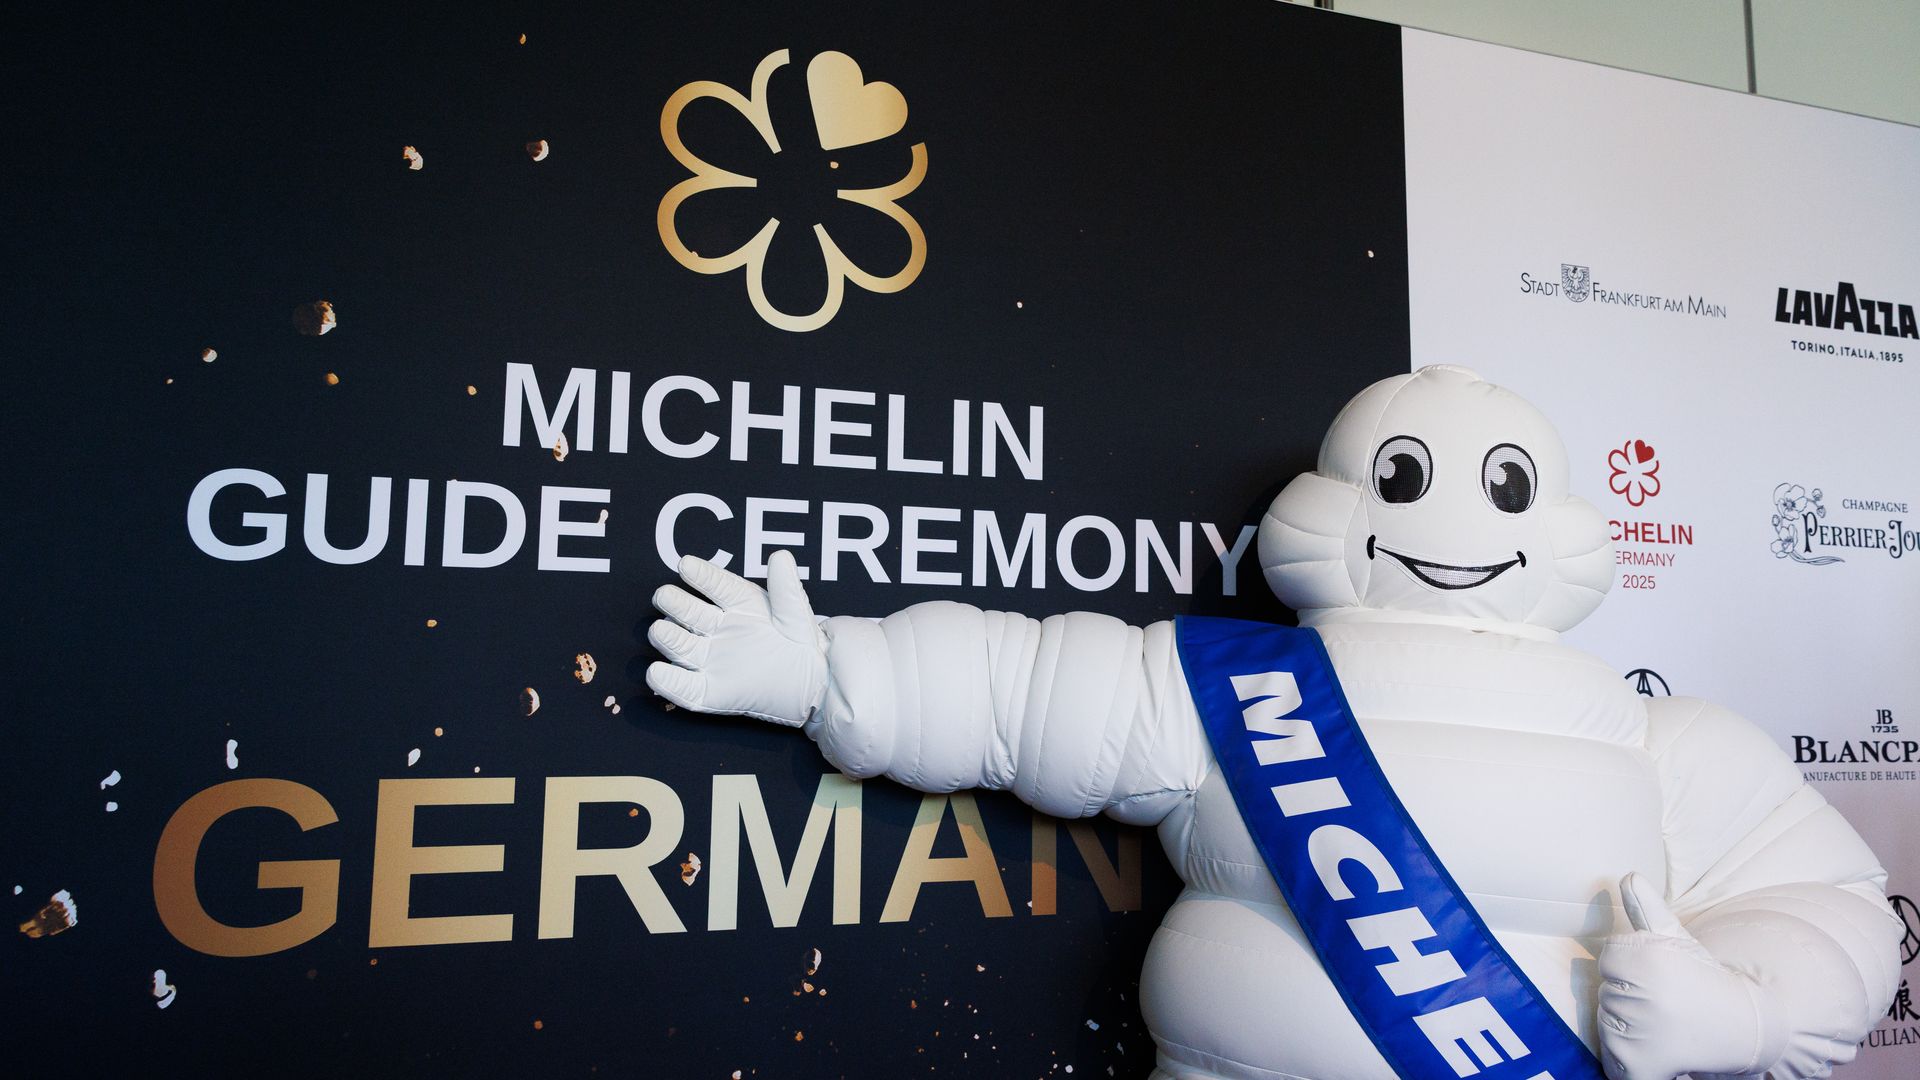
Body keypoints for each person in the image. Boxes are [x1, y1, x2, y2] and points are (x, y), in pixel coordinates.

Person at [646, 364, 1900, 1080]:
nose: (1451, 521)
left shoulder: (1655, 741)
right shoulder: (1232, 686)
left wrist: (1742, 1011)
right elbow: (1017, 691)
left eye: (1502, 488)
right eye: (1404, 480)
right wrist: (824, 673)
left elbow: (1833, 907)